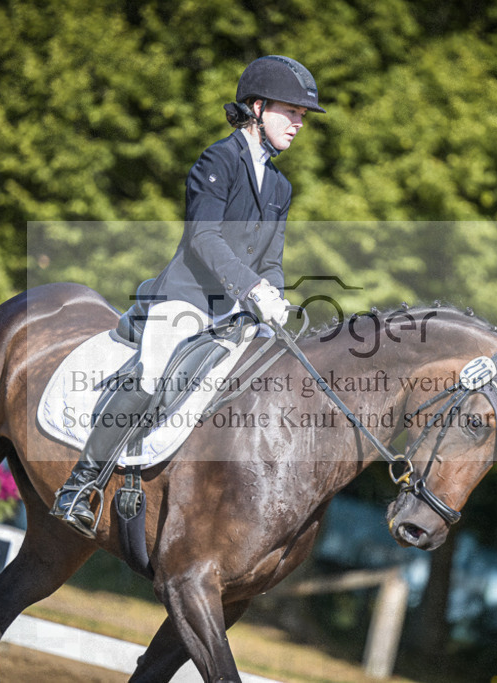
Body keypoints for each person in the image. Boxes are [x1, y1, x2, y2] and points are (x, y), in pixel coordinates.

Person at [51, 55, 326, 537]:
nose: (300, 124)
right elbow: (204, 239)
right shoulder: (218, 160)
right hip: (186, 298)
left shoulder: (281, 186)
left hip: (236, 313)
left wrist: (275, 298)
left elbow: (272, 260)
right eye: (292, 112)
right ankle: (81, 484)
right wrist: (253, 288)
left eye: (303, 116)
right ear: (257, 108)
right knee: (154, 374)